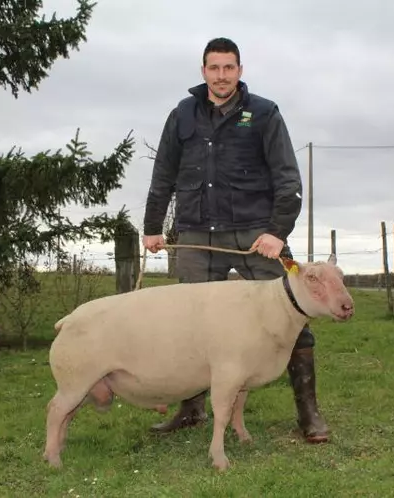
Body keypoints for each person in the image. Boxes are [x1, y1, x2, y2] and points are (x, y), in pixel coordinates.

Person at [141, 37, 329, 443]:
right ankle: (190, 409)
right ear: (203, 71)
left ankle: (309, 413)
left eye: (229, 68)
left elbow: (288, 179)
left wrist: (277, 233)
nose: (221, 75)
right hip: (195, 232)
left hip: (256, 234)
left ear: (240, 70)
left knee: (291, 317)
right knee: (188, 325)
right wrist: (153, 226)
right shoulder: (182, 114)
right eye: (214, 67)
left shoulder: (264, 113)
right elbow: (163, 175)